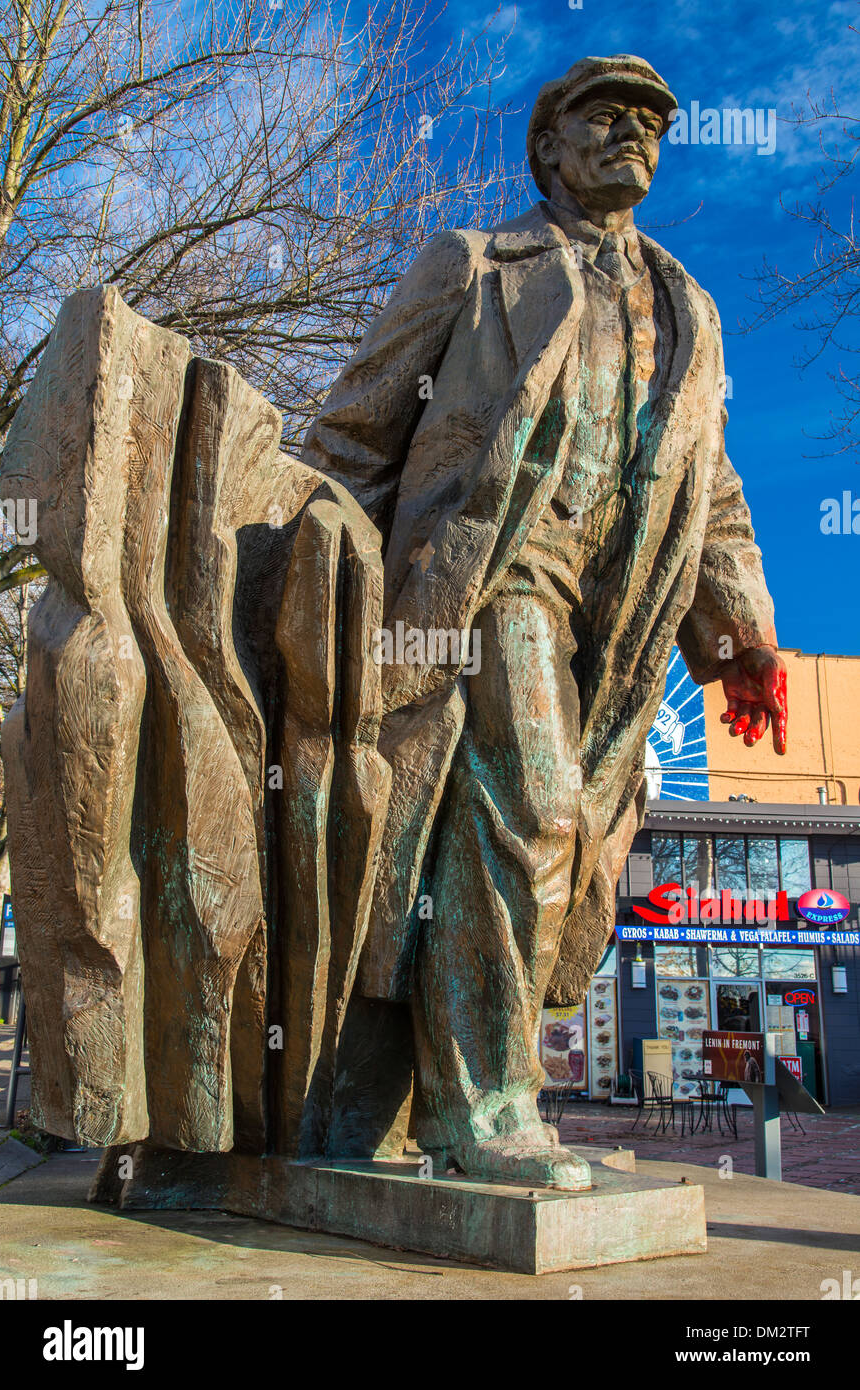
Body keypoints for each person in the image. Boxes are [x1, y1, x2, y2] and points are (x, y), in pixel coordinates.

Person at [303, 55, 788, 1188]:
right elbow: (354, 434)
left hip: (622, 612)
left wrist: (743, 635)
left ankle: (442, 1090)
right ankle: (487, 1109)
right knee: (532, 797)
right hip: (489, 572)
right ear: (548, 148)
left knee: (571, 845)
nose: (633, 134)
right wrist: (299, 569)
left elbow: (709, 483)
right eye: (603, 116)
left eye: (651, 121)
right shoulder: (474, 267)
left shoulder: (690, 306)